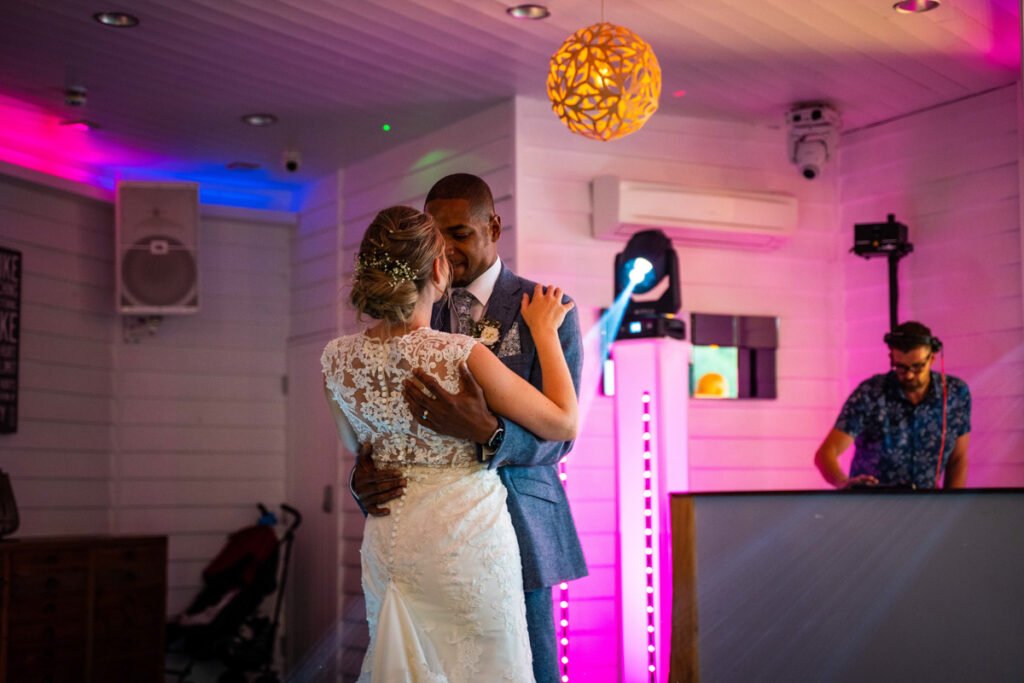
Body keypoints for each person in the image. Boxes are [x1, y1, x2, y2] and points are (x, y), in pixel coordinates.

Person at [321, 205, 578, 681]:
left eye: (460, 233)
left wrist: (489, 433)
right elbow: (565, 422)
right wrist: (545, 333)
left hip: (409, 542)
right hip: (467, 541)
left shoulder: (336, 358)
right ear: (435, 266)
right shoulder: (461, 350)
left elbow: (359, 441)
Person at [814, 321, 971, 489]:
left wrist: (949, 505)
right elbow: (826, 454)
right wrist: (843, 483)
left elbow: (957, 459)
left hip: (927, 507)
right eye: (901, 367)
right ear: (892, 359)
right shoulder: (870, 393)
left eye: (917, 367)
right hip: (874, 506)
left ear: (932, 358)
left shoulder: (955, 393)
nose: (909, 375)